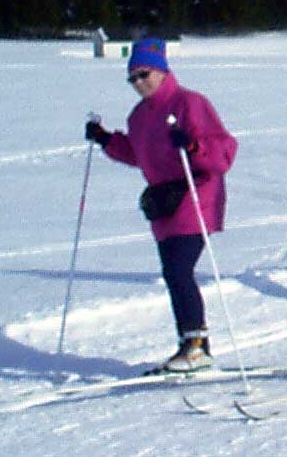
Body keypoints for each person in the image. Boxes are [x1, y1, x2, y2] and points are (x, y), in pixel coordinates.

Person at [85, 37, 238, 372]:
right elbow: (138, 155)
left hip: (196, 196)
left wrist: (194, 145)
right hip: (163, 204)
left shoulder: (190, 104)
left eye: (145, 74)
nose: (139, 83)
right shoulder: (139, 117)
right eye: (133, 78)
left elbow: (223, 153)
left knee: (178, 270)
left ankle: (196, 345)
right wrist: (106, 139)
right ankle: (191, 343)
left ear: (162, 70)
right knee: (173, 273)